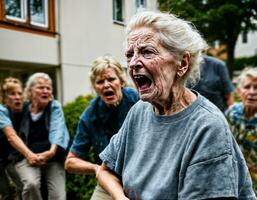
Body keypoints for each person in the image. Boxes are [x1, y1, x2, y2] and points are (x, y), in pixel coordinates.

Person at [97, 11, 256, 199]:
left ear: (182, 63)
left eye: (147, 51)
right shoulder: (139, 111)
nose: (133, 63)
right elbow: (104, 171)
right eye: (130, 55)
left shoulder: (207, 127)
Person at [64, 55, 139, 199]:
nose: (106, 85)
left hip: (141, 174)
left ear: (121, 82)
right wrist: (97, 168)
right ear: (95, 87)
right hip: (110, 178)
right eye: (100, 82)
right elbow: (70, 162)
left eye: (111, 79)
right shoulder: (89, 117)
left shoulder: (138, 101)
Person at [11, 73, 70, 200]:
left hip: (53, 157)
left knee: (58, 196)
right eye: (40, 87)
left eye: (48, 88)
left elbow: (58, 130)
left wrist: (51, 152)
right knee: (31, 184)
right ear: (30, 91)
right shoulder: (22, 109)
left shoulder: (54, 106)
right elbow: (12, 136)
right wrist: (29, 155)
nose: (45, 91)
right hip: (27, 158)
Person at [226, 67, 257, 194]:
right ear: (238, 92)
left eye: (256, 88)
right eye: (247, 87)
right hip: (234, 178)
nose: (252, 92)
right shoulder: (232, 113)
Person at [0, 78, 26, 200]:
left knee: (21, 187)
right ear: (5, 98)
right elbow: (11, 137)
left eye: (20, 93)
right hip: (4, 158)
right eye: (12, 94)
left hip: (11, 157)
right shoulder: (2, 111)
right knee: (8, 193)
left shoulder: (25, 111)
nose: (17, 97)